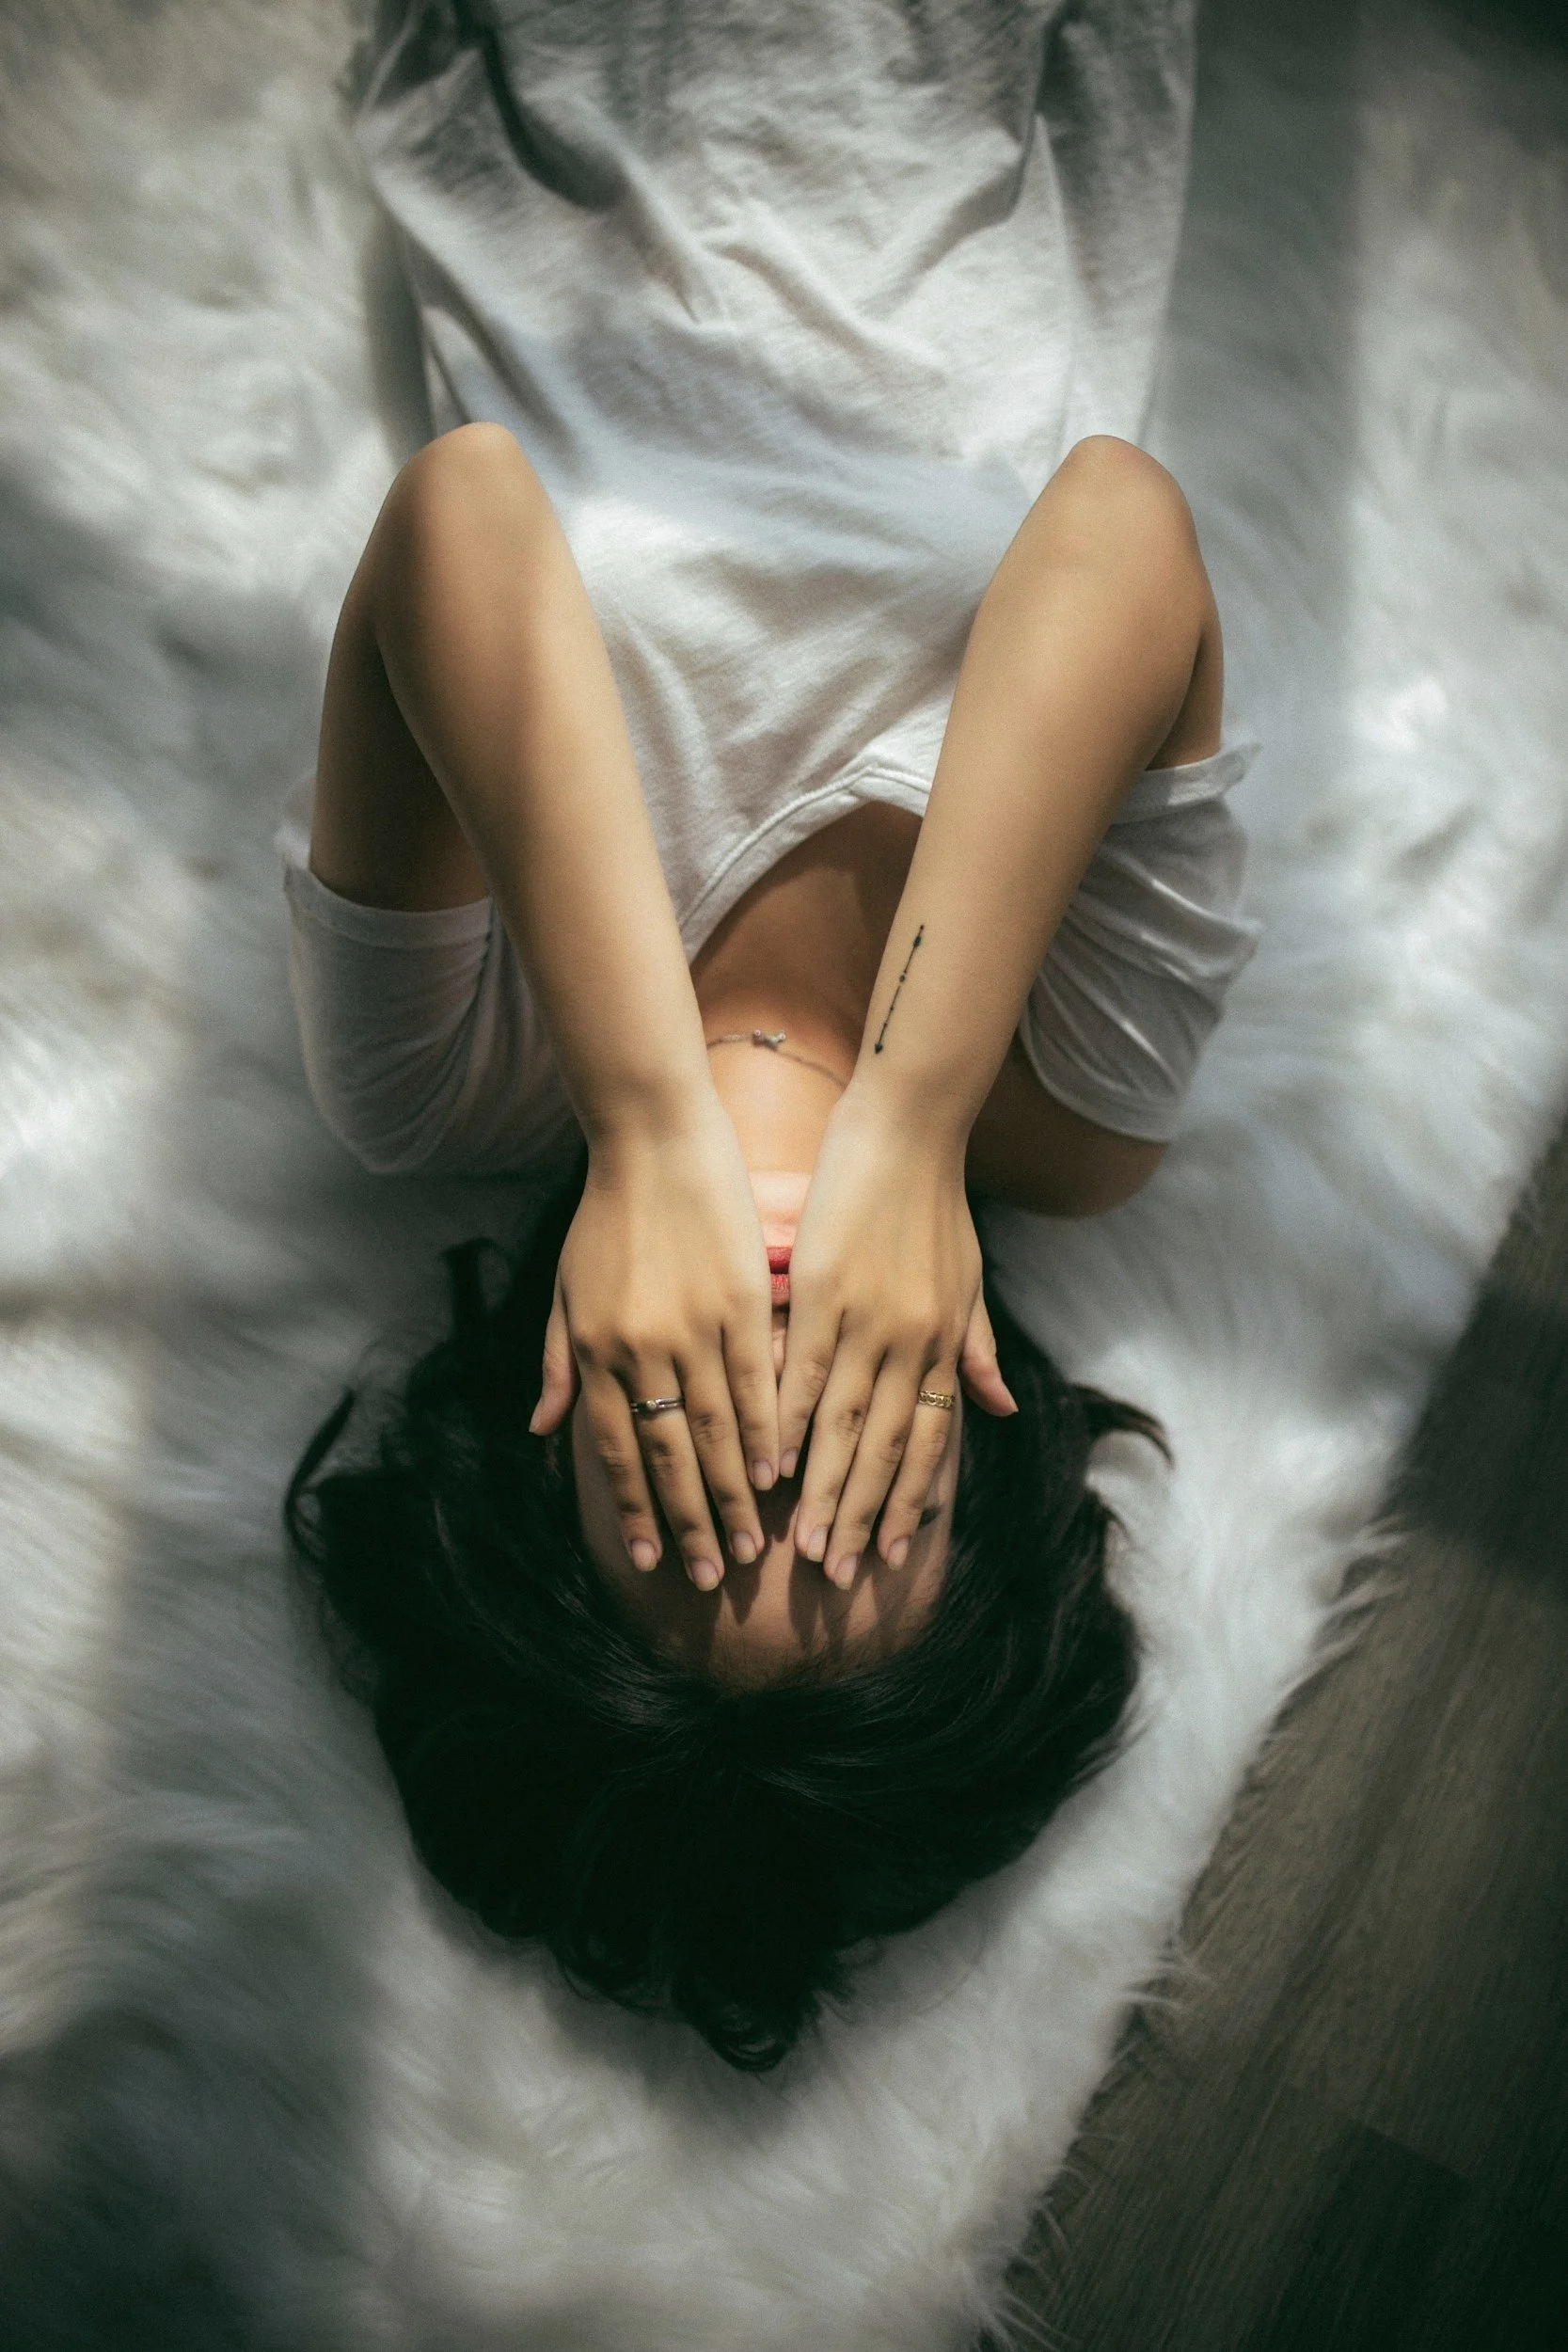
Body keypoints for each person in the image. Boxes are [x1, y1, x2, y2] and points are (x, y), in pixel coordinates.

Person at [281, 0, 1259, 2070]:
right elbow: (1112, 527)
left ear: (548, 1445)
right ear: (977, 1440)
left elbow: (458, 516)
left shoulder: (442, 1077)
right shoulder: (1072, 1114)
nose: (786, 1386)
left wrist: (642, 1120)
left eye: (702, 1478)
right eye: (860, 1489)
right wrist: (909, 1119)